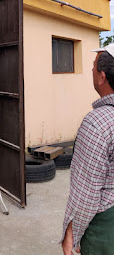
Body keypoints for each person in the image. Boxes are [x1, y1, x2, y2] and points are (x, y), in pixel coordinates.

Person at [61, 43, 114, 255]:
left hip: (105, 230)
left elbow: (87, 192)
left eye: (93, 66)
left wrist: (71, 234)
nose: (91, 70)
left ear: (102, 77)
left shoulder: (97, 123)